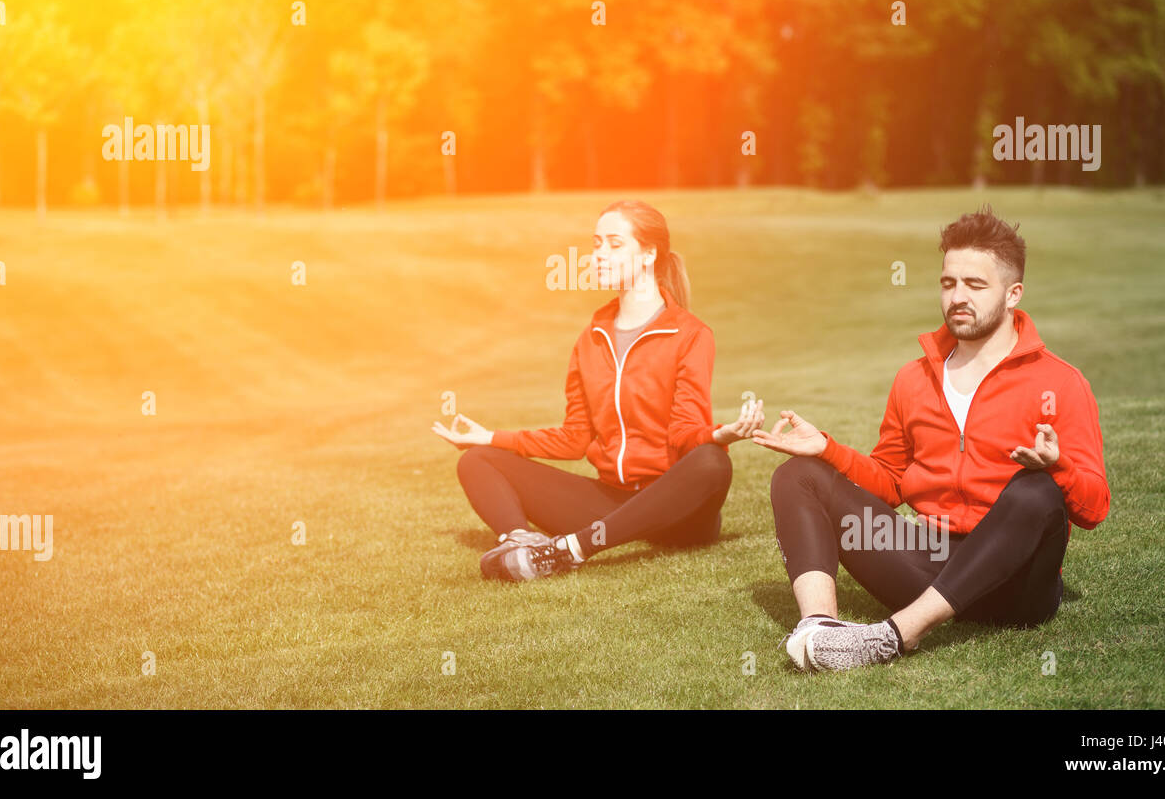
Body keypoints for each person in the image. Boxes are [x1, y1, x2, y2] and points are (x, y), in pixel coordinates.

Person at [753, 205, 1109, 671]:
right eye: (948, 283)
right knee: (798, 475)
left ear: (1013, 293)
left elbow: (1095, 507)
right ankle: (821, 630)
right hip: (930, 564)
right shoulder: (914, 379)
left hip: (1017, 586)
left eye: (975, 285)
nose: (958, 296)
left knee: (1035, 489)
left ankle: (895, 636)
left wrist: (1057, 466)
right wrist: (827, 450)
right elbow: (891, 483)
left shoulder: (1061, 382)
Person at [433, 199, 763, 581]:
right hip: (610, 505)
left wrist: (718, 435)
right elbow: (575, 439)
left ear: (648, 254)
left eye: (614, 244)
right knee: (477, 459)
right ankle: (522, 544)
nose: (599, 255)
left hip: (676, 512)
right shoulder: (590, 339)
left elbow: (685, 432)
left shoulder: (690, 335)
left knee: (712, 461)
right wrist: (488, 436)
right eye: (596, 244)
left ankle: (571, 550)